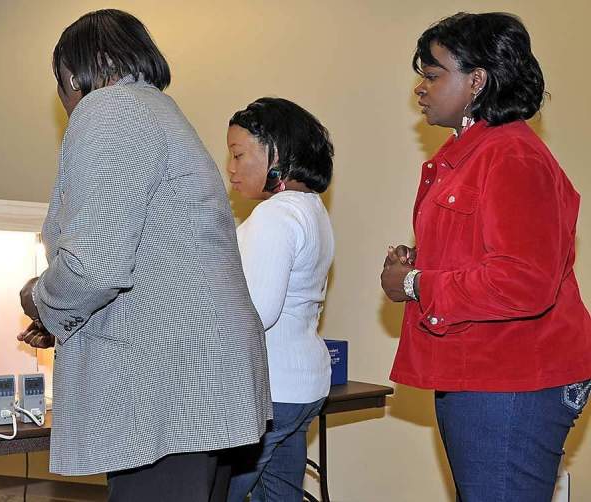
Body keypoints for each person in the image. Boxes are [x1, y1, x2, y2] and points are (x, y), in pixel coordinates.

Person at [16, 9, 271, 502]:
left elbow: (94, 265)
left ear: (72, 73)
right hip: (198, 375)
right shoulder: (159, 111)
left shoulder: (111, 110)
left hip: (165, 380)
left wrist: (39, 299)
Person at [381, 12, 591, 501]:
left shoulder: (511, 155)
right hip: (487, 372)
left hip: (511, 379)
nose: (421, 88)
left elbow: (523, 280)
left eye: (433, 75)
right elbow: (488, 253)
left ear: (477, 80)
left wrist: (414, 283)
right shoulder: (475, 155)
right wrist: (422, 262)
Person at [224, 98, 334, 502]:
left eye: (239, 154)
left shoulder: (274, 216)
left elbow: (256, 312)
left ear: (277, 153)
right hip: (303, 388)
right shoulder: (311, 209)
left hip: (270, 389)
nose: (231, 169)